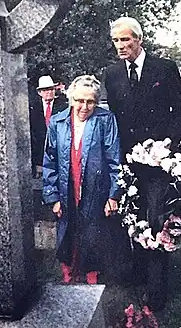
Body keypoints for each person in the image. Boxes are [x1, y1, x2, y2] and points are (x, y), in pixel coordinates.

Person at [101, 16, 181, 311]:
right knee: (133, 221)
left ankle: (157, 292)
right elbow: (112, 118)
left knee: (157, 222)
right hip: (128, 165)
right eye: (116, 40)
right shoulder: (111, 74)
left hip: (159, 166)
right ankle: (138, 279)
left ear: (138, 39)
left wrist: (166, 147)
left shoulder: (164, 68)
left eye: (125, 39)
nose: (120, 46)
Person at [42, 75, 132, 284]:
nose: (84, 106)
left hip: (95, 188)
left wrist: (113, 195)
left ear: (96, 101)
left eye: (90, 101)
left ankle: (92, 275)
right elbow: (50, 160)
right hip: (67, 187)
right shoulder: (58, 121)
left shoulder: (105, 119)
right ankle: (68, 273)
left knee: (93, 232)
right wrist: (53, 196)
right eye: (80, 100)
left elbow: (114, 159)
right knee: (67, 229)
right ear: (71, 99)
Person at [30, 75, 68, 178]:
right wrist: (37, 163)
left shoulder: (63, 106)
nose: (49, 92)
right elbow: (33, 136)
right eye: (45, 90)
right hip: (39, 156)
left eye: (51, 89)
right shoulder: (33, 108)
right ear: (40, 92)